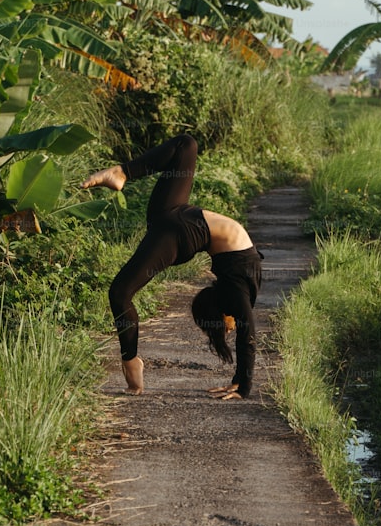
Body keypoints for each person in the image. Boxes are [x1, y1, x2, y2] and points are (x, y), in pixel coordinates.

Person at [80, 134, 263, 400]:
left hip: (179, 230)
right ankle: (122, 172)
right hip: (175, 215)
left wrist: (242, 384)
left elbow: (247, 329)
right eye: (226, 327)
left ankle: (131, 362)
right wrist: (242, 384)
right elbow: (248, 329)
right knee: (186, 145)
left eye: (226, 328)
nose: (230, 329)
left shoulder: (237, 284)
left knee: (121, 292)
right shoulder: (239, 282)